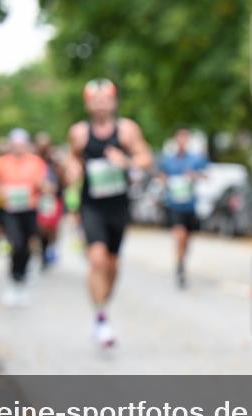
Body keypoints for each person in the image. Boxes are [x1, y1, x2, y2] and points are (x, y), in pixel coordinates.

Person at [67, 78, 153, 347]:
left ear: (114, 102)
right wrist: (72, 170)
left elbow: (146, 159)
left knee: (113, 265)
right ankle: (101, 319)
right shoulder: (79, 133)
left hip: (118, 204)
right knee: (97, 260)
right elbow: (72, 158)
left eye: (106, 99)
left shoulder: (127, 130)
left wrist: (126, 161)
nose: (101, 104)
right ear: (88, 104)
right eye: (96, 99)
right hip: (91, 204)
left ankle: (102, 308)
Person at [0, 129, 48, 307]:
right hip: (10, 210)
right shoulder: (0, 163)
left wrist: (43, 187)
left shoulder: (36, 162)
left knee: (27, 245)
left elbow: (43, 184)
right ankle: (14, 278)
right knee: (15, 244)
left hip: (29, 208)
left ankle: (21, 279)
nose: (19, 148)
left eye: (22, 144)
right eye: (15, 145)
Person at [158, 128, 209, 288]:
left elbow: (206, 175)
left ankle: (182, 260)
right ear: (175, 140)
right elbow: (161, 176)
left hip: (190, 205)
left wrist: (194, 176)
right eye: (179, 138)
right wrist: (165, 180)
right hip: (174, 204)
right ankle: (179, 266)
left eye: (185, 139)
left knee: (186, 239)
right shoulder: (168, 160)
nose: (182, 141)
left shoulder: (195, 159)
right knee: (179, 235)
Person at [34, 131, 65, 269]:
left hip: (54, 197)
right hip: (39, 197)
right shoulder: (33, 161)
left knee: (52, 226)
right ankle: (42, 250)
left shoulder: (54, 160)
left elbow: (64, 177)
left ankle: (51, 249)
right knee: (41, 226)